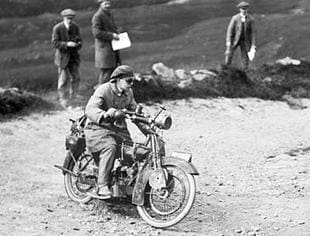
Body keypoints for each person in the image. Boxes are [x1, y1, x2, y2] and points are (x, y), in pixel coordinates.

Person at [84, 65, 147, 199]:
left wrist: (148, 127)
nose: (131, 84)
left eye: (132, 81)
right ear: (118, 80)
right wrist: (105, 114)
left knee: (131, 151)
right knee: (110, 147)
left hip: (118, 129)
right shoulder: (104, 90)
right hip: (98, 127)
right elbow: (90, 109)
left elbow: (135, 112)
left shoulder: (128, 93)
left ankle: (126, 185)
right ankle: (102, 186)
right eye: (128, 81)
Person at [51, 9, 82, 108]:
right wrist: (67, 44)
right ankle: (63, 100)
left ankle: (74, 98)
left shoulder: (75, 27)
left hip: (73, 57)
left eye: (71, 19)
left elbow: (80, 40)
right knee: (63, 80)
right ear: (64, 18)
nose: (70, 20)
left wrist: (77, 44)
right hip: (62, 58)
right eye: (68, 18)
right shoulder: (57, 28)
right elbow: (55, 43)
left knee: (76, 78)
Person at [92, 0, 121, 87]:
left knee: (113, 70)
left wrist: (117, 32)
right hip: (104, 50)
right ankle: (100, 93)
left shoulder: (109, 14)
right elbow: (96, 33)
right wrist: (112, 35)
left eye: (109, 3)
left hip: (112, 48)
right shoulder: (97, 16)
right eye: (105, 4)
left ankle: (109, 94)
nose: (108, 5)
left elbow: (111, 28)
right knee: (106, 72)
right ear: (100, 4)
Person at [225, 1, 256, 70]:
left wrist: (253, 45)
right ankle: (226, 68)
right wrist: (229, 42)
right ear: (239, 9)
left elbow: (253, 33)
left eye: (245, 8)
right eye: (242, 9)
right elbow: (230, 31)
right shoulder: (235, 18)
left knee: (245, 56)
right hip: (235, 39)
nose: (244, 10)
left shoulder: (251, 19)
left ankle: (245, 70)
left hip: (245, 40)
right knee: (229, 52)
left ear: (247, 9)